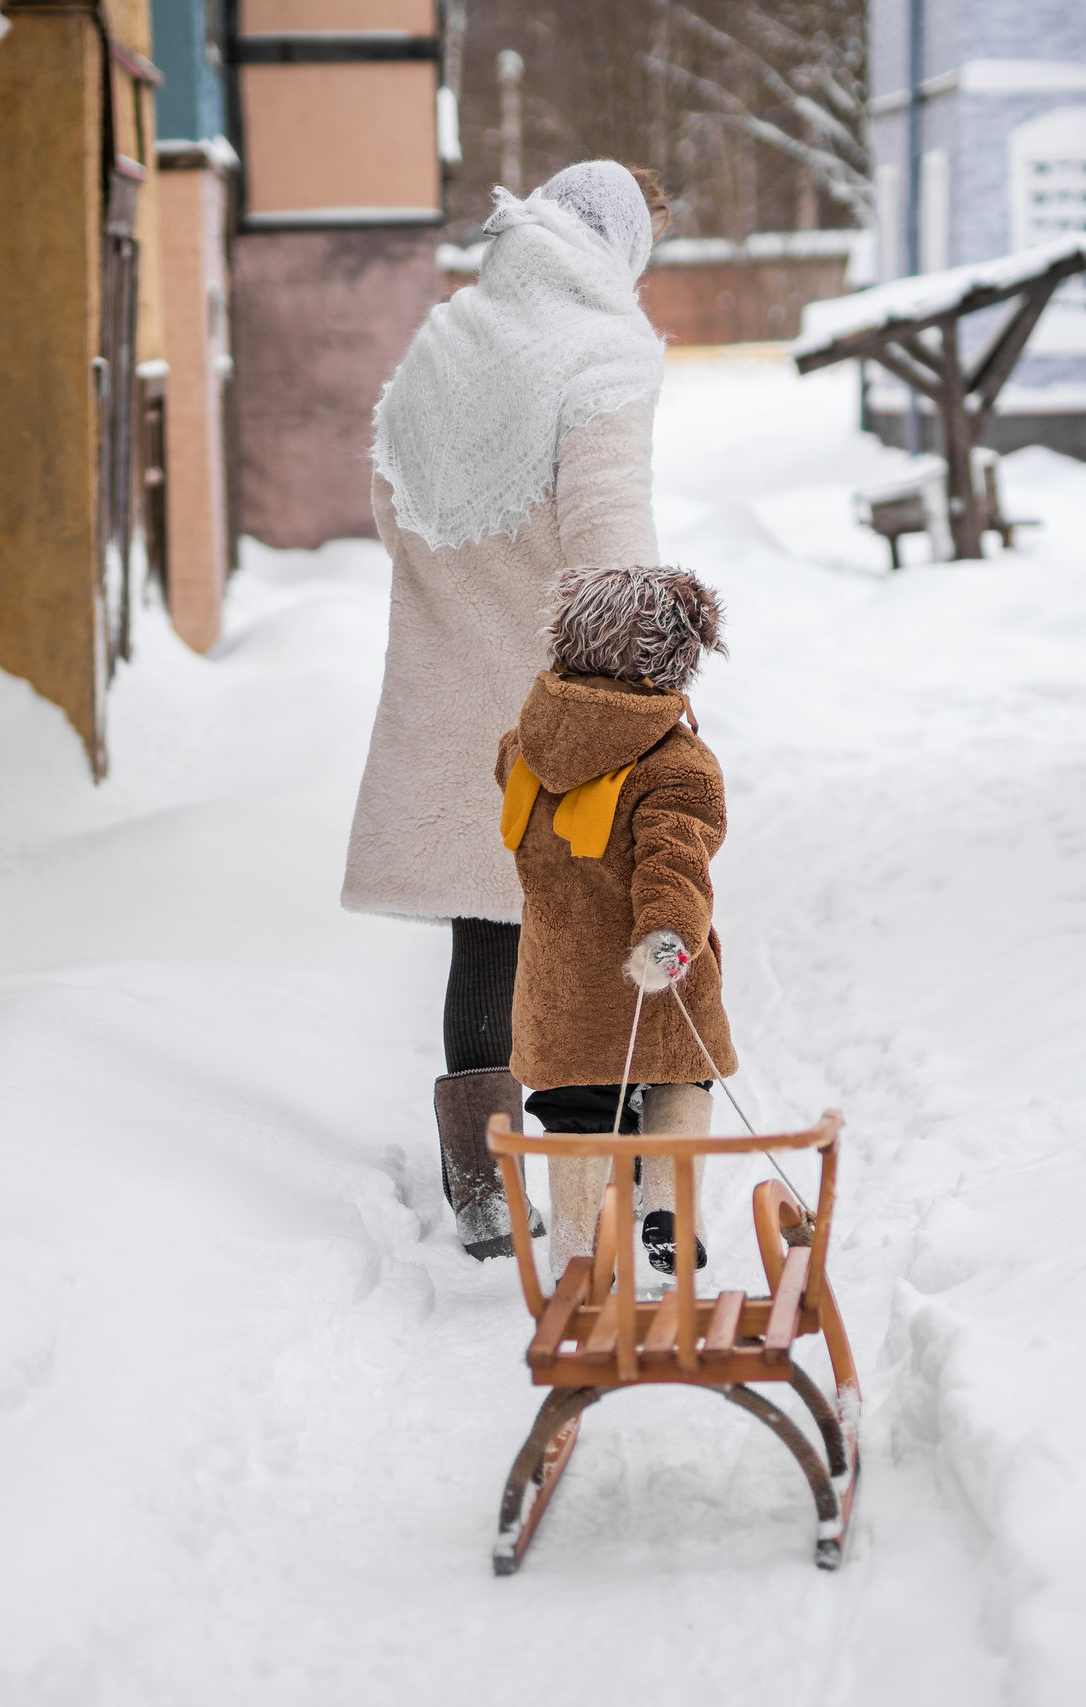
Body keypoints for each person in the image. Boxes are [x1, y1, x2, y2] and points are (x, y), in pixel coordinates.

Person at [343, 161, 672, 1258]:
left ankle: (481, 1186)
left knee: (487, 926)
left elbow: (387, 498)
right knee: (594, 920)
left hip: (446, 671)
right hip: (561, 684)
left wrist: (458, 588)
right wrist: (644, 675)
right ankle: (602, 1176)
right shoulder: (604, 353)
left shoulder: (448, 337)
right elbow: (611, 531)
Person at [496, 563, 734, 1277]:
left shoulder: (526, 743)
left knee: (575, 1114)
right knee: (679, 1077)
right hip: (650, 973)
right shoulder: (675, 760)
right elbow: (673, 864)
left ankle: (576, 1253)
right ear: (675, 655)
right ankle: (667, 1209)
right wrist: (667, 940)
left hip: (559, 984)